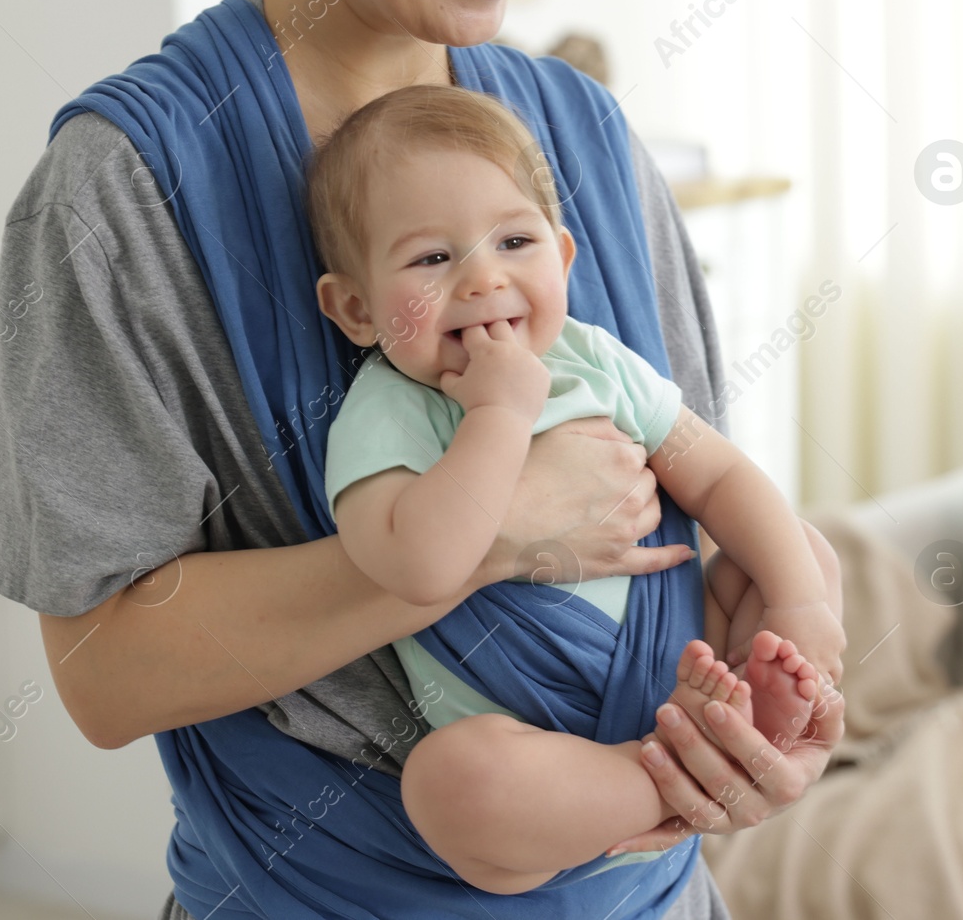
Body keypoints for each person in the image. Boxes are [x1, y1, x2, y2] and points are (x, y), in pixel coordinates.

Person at [0, 0, 847, 917]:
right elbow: (104, 673)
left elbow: (696, 534)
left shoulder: (586, 136)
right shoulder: (119, 192)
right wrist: (491, 534)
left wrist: (768, 726)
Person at [304, 84, 846, 893]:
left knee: (790, 546)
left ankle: (742, 721)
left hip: (687, 651)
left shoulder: (593, 358)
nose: (485, 279)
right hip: (540, 746)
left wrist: (802, 603)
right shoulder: (382, 415)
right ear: (354, 307)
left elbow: (720, 471)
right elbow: (417, 568)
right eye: (432, 258)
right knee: (453, 784)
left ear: (561, 258)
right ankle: (665, 777)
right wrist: (497, 411)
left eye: (513, 241)